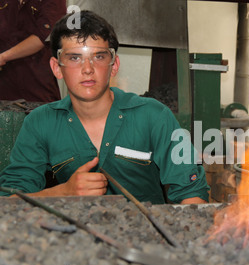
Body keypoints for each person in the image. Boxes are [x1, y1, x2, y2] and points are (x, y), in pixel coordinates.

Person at [0, 10, 210, 204]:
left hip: (148, 238)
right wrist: (63, 192)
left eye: (98, 57)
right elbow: (8, 201)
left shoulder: (154, 116)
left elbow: (191, 194)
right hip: (70, 238)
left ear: (114, 65)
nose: (88, 69)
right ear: (57, 68)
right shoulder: (40, 122)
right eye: (74, 58)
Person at [0, 0, 67, 102]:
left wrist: (3, 57)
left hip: (36, 83)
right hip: (5, 85)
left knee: (41, 114)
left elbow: (41, 38)